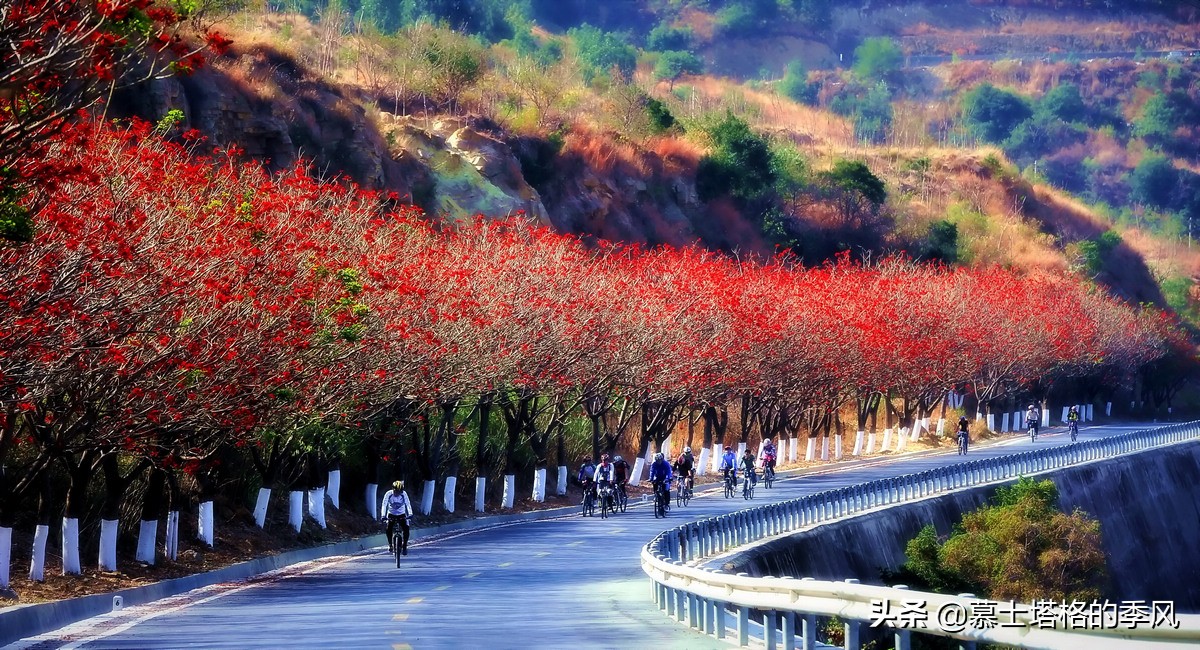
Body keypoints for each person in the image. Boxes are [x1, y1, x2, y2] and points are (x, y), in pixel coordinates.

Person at [379, 480, 413, 555]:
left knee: (406, 529)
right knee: (388, 528)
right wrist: (383, 515)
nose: (397, 493)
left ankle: (404, 546)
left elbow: (408, 504)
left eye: (399, 492)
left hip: (402, 514)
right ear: (392, 489)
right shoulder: (388, 494)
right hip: (391, 514)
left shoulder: (404, 494)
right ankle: (390, 545)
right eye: (396, 491)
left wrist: (410, 514)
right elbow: (384, 505)